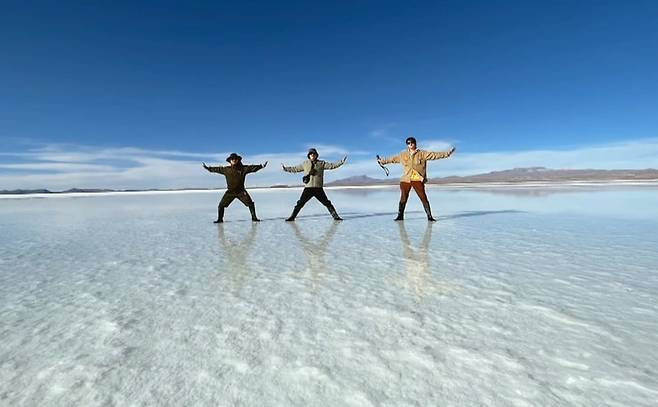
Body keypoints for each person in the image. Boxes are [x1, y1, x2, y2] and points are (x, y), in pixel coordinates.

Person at [377, 137, 455, 221]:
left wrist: (447, 153)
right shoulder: (403, 155)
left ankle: (429, 217)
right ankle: (400, 216)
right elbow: (392, 159)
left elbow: (435, 155)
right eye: (408, 143)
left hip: (417, 179)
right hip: (406, 179)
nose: (410, 144)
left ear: (415, 143)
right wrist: (382, 161)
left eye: (412, 143)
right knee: (403, 198)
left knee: (423, 197)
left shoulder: (422, 153)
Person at [282, 148, 346, 221]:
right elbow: (295, 169)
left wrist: (341, 162)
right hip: (308, 188)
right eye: (311, 154)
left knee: (327, 203)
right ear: (309, 155)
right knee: (300, 203)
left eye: (314, 154)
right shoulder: (305, 164)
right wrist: (286, 169)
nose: (312, 155)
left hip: (318, 188)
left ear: (316, 155)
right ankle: (292, 217)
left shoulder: (321, 163)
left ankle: (336, 217)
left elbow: (332, 166)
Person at [202, 153, 267, 223]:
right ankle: (220, 219)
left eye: (235, 159)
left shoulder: (243, 169)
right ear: (230, 161)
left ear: (238, 160)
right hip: (230, 192)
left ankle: (254, 218)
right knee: (221, 205)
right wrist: (208, 168)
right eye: (232, 159)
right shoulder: (226, 169)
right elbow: (217, 169)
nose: (234, 160)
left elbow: (251, 168)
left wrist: (261, 166)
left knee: (250, 204)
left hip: (241, 191)